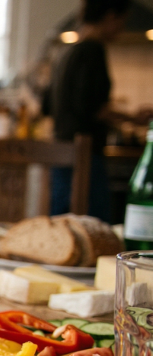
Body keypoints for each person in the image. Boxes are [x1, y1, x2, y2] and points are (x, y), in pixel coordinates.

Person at [49, 0, 153, 222]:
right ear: (110, 17)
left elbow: (47, 105)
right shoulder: (92, 50)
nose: (122, 29)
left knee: (61, 220)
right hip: (85, 153)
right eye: (121, 22)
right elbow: (93, 107)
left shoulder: (66, 52)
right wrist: (134, 118)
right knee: (92, 221)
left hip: (61, 150)